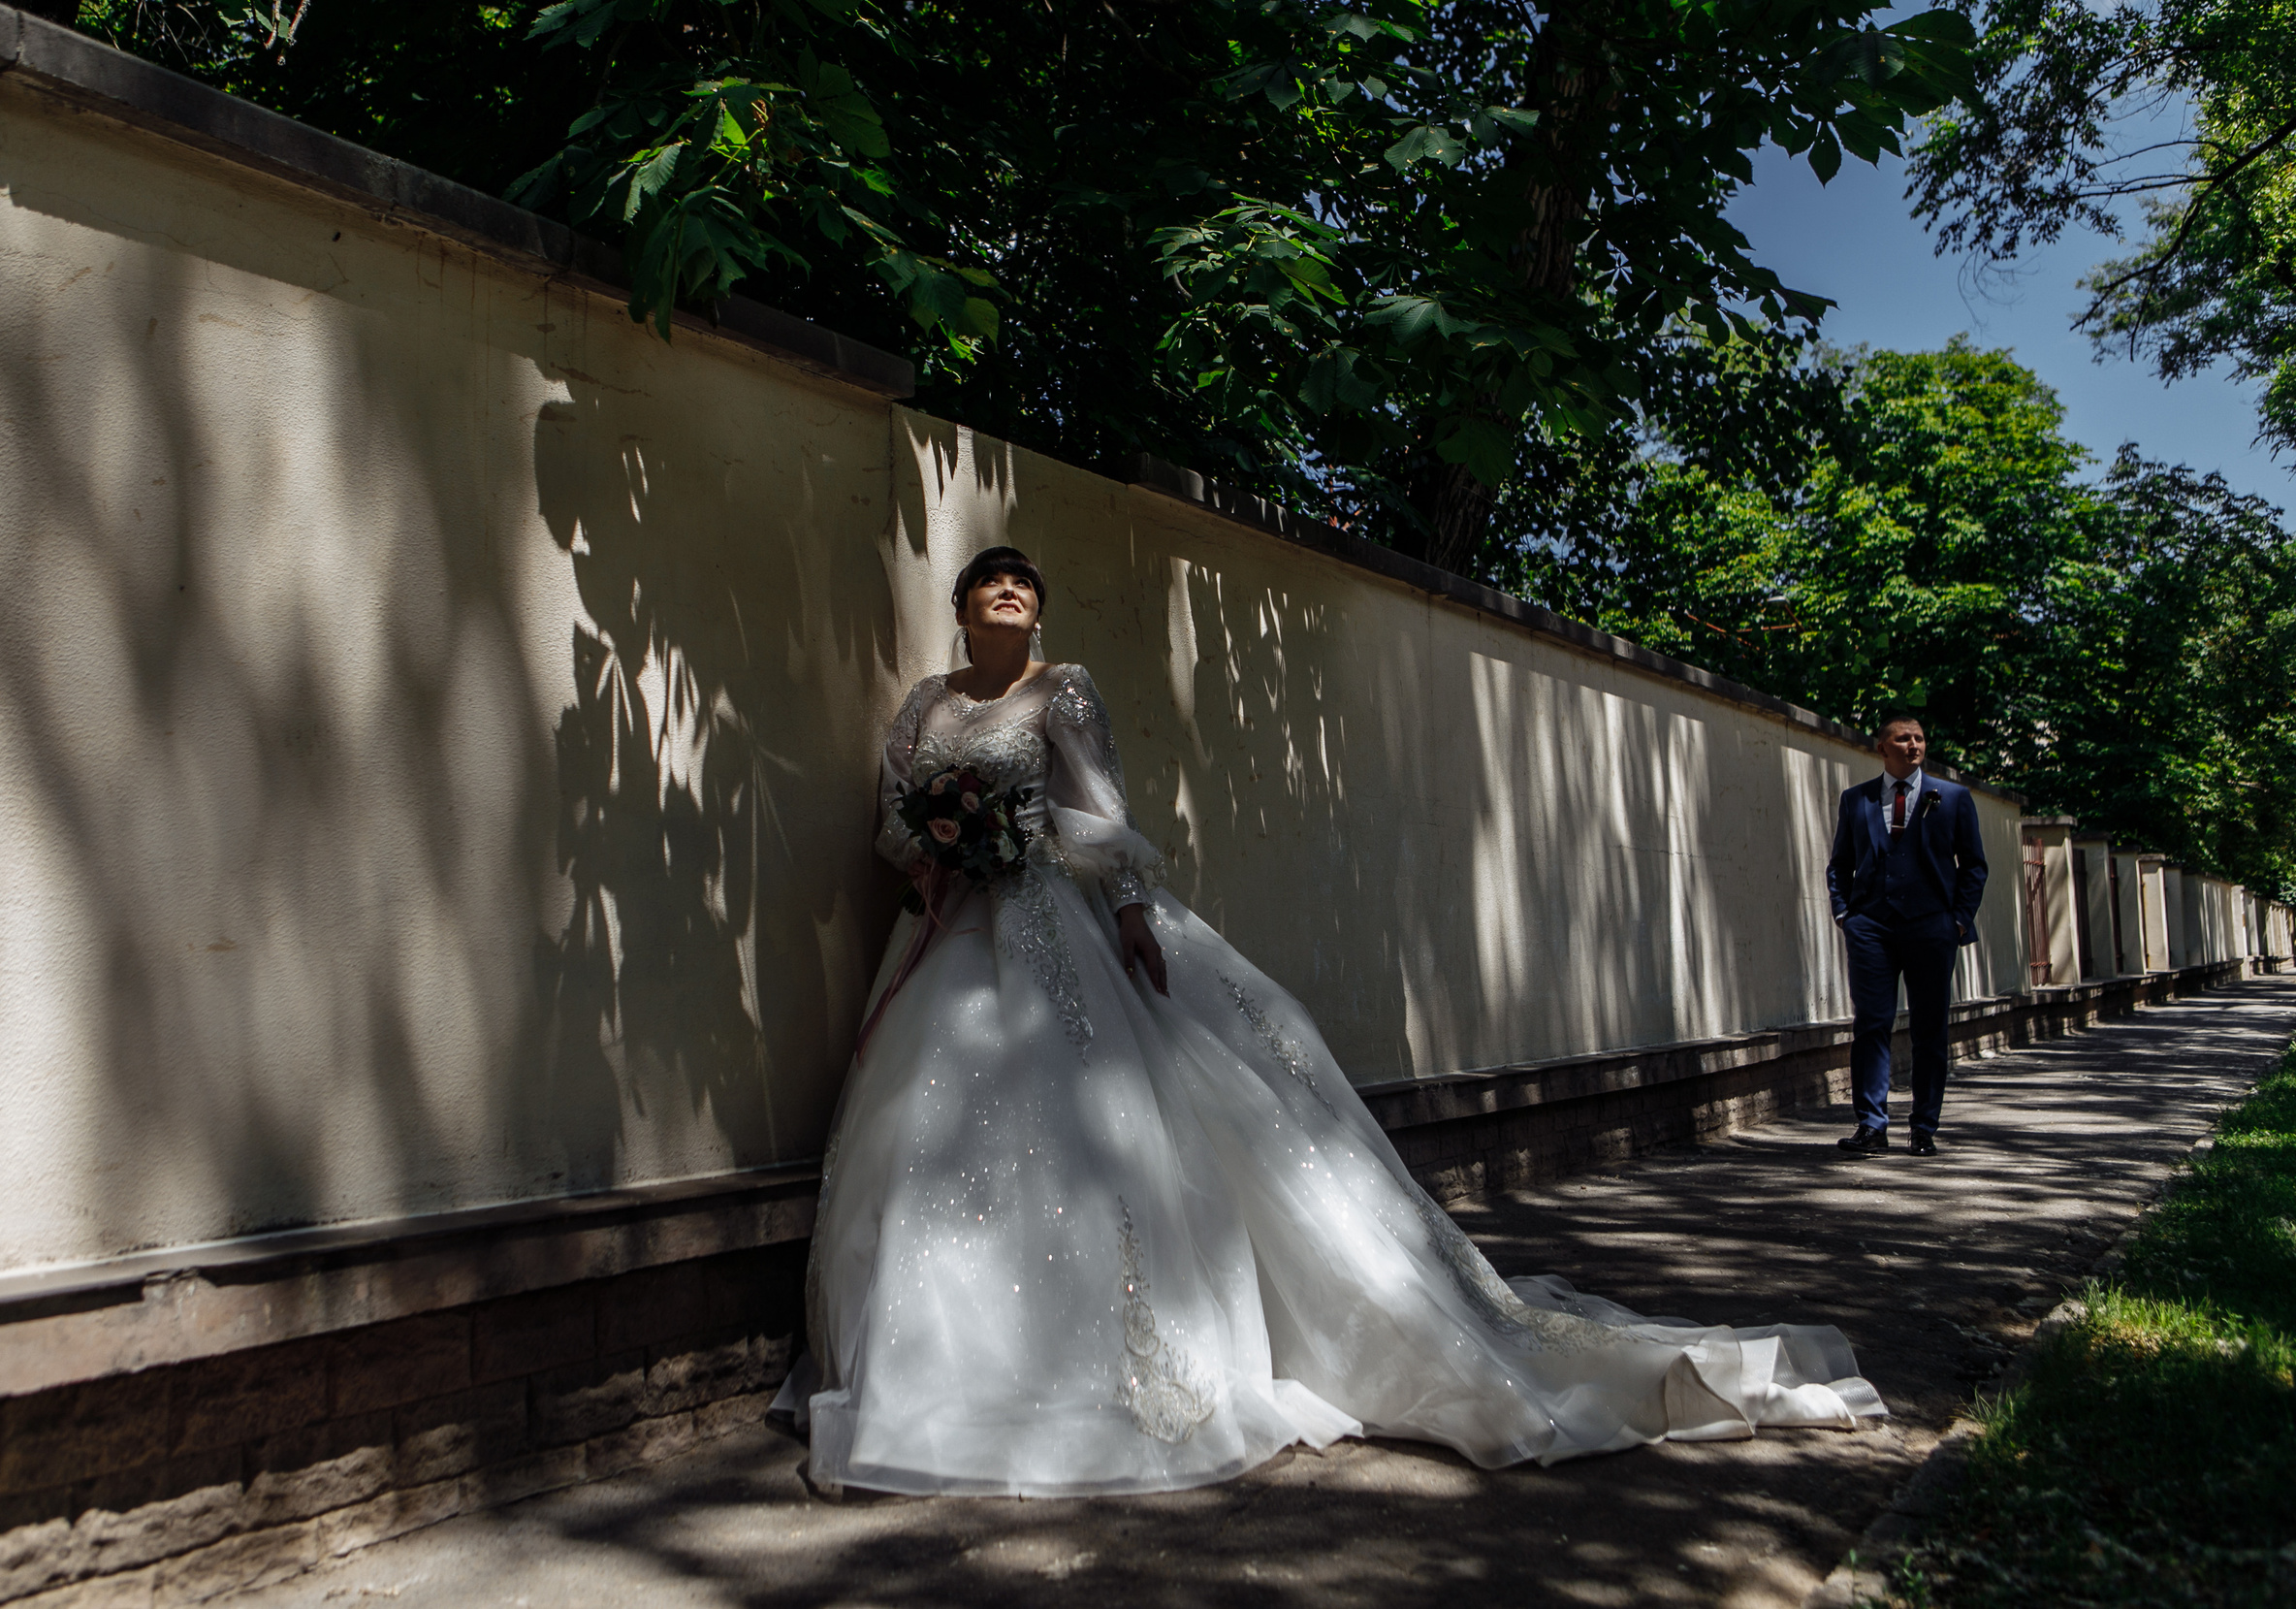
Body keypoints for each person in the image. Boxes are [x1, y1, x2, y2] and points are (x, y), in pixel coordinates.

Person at [776, 546, 1885, 1496]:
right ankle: (942, 1368)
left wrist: (1122, 907)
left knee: (1086, 1124)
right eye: (990, 584)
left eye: (1023, 585)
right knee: (932, 1132)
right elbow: (890, 816)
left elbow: (1105, 811)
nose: (1007, 593)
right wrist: (941, 846)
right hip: (951, 937)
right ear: (963, 606)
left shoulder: (1063, 692)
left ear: (1038, 611)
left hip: (1055, 928)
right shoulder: (928, 703)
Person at [1825, 712, 1990, 1158]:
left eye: (1919, 738)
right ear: (1882, 748)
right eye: (1902, 739)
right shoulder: (1856, 800)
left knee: (1929, 1029)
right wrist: (1845, 915)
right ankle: (1872, 1125)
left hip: (1932, 926)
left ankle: (1923, 1128)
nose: (1913, 745)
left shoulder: (1952, 798)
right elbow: (1840, 863)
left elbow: (1974, 865)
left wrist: (1957, 920)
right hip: (1871, 927)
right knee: (1872, 1025)